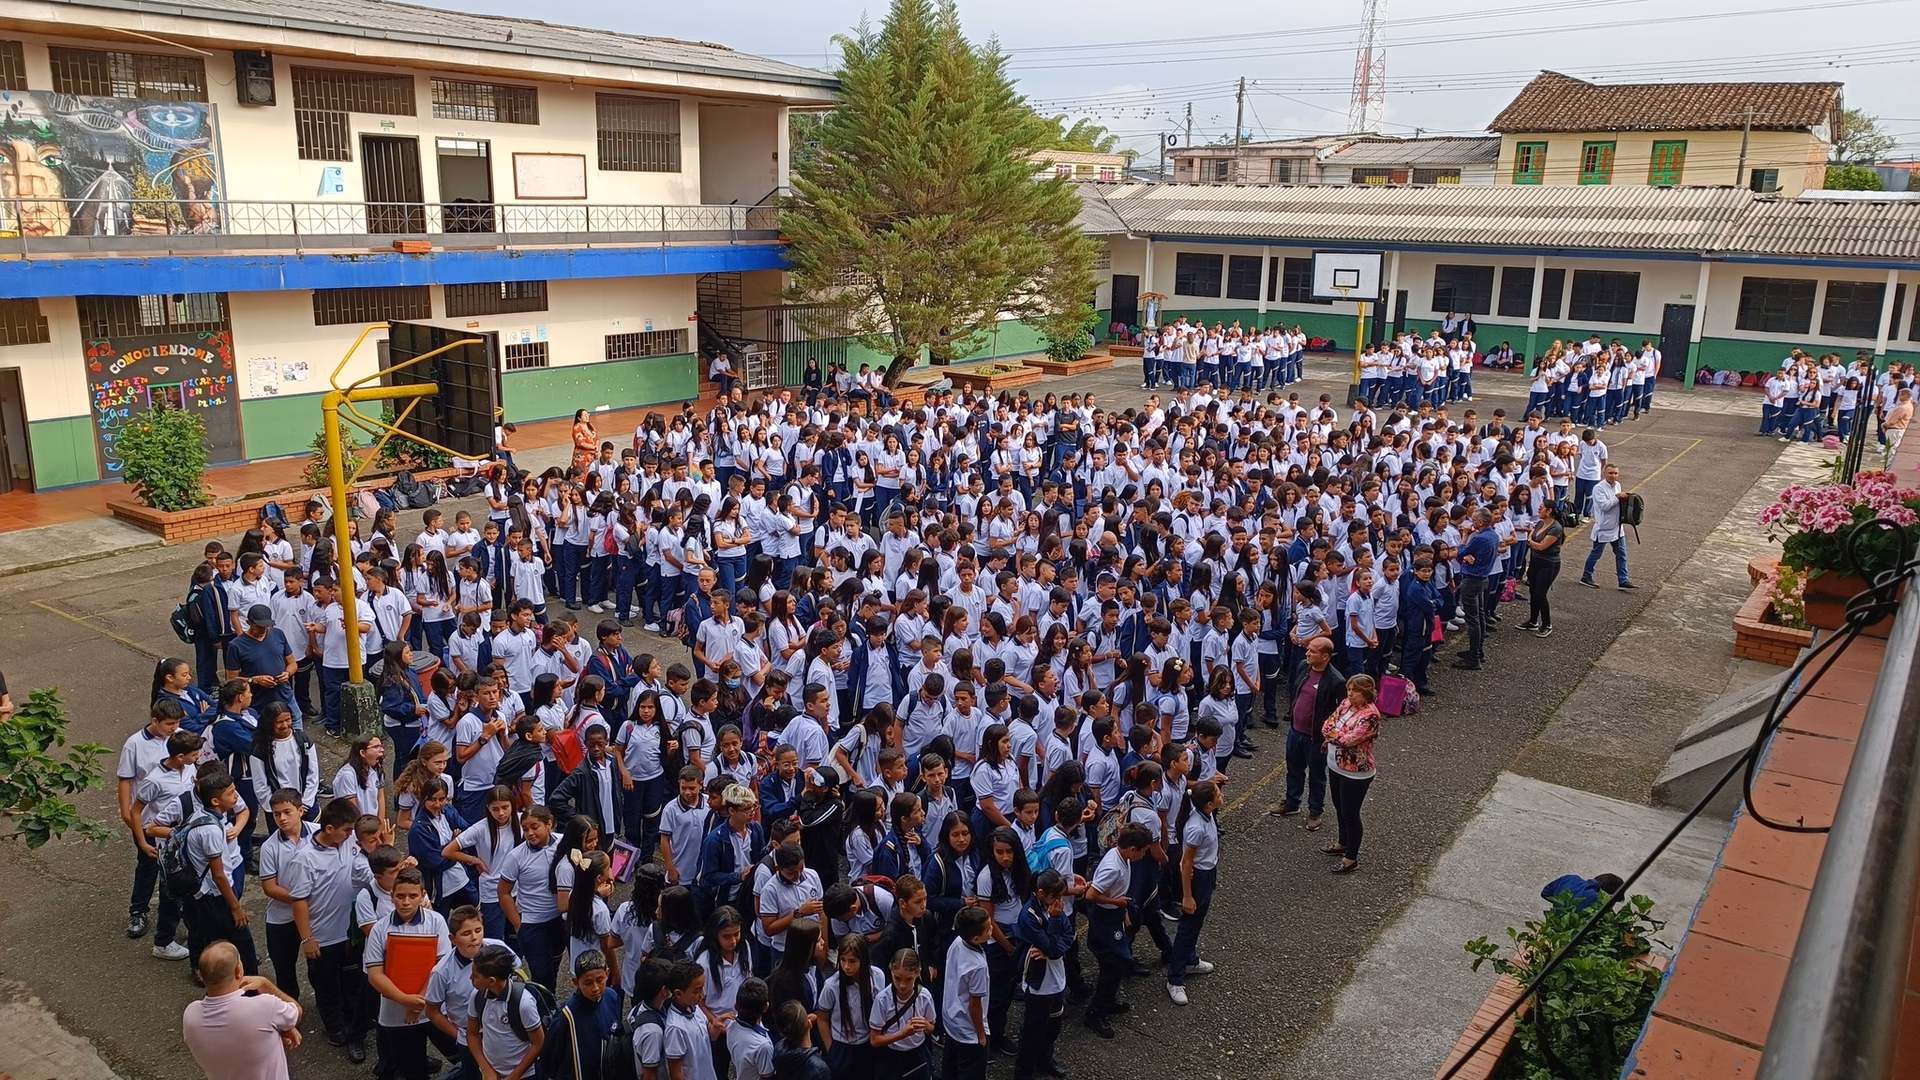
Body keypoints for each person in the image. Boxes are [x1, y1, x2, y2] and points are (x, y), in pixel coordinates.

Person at [182, 941, 303, 1080]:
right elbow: (297, 1012)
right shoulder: (265, 1006)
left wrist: (276, 1027)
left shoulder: (190, 1015)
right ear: (238, 970)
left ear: (202, 976)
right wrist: (266, 984)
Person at [1269, 636, 1344, 830]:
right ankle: (1292, 802)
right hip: (1295, 731)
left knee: (1317, 776)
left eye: (1313, 651)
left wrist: (1329, 736)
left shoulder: (1336, 681)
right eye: (1308, 650)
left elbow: (1340, 712)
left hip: (1316, 738)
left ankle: (1315, 811)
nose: (1307, 653)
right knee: (1294, 770)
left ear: (1325, 656)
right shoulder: (1304, 666)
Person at [1322, 674, 1382, 875]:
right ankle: (1342, 842)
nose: (1350, 694)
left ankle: (1351, 857)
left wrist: (1334, 735)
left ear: (1366, 693)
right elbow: (1327, 724)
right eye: (1349, 689)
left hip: (1355, 772)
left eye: (1355, 691)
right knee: (1339, 806)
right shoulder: (1347, 704)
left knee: (1350, 813)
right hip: (1335, 764)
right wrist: (1335, 735)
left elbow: (1350, 740)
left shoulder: (1370, 716)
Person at [1580, 463, 1636, 591]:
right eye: (1610, 473)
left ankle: (1623, 579)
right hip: (1604, 528)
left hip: (1617, 527)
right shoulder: (1598, 488)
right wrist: (1617, 497)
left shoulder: (1617, 485)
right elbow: (1604, 506)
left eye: (1615, 473)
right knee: (1596, 554)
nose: (1613, 476)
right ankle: (1586, 576)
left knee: (1621, 555)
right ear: (1604, 473)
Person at [1519, 498, 1564, 638]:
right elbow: (1532, 537)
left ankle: (1546, 624)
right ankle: (1533, 621)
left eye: (1541, 508)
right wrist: (1532, 542)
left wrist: (1531, 542)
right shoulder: (1540, 523)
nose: (1539, 510)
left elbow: (1541, 546)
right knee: (1533, 591)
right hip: (1535, 562)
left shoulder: (1555, 528)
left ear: (1549, 511)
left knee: (1540, 594)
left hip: (1548, 564)